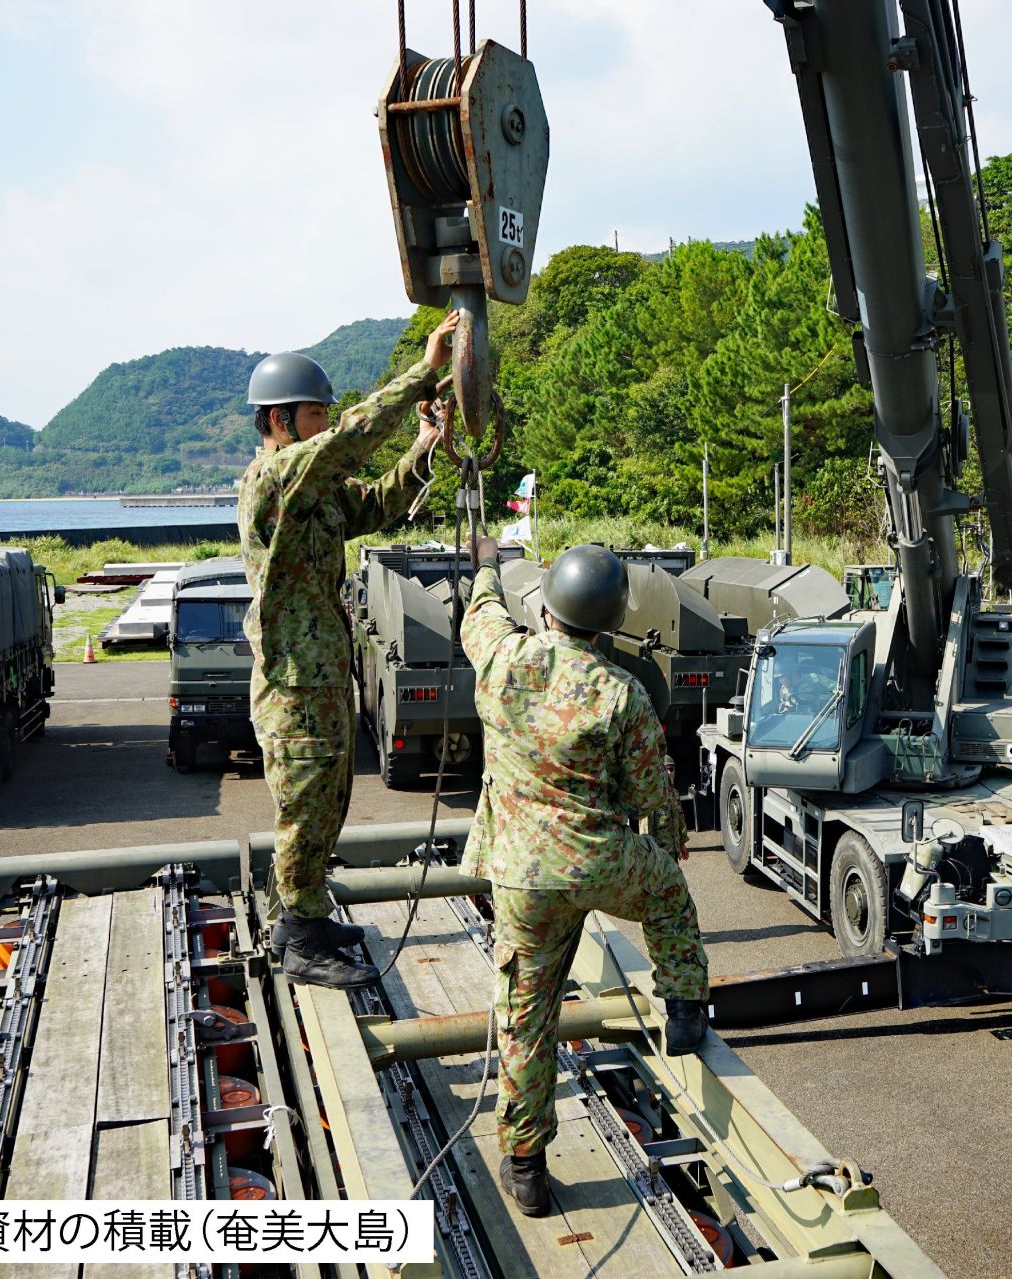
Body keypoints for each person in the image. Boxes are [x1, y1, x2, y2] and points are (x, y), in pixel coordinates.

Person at [461, 537, 709, 1219]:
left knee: (525, 1014)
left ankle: (527, 1166)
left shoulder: (501, 657)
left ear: (546, 608)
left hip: (517, 875)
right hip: (598, 861)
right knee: (668, 894)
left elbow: (479, 611)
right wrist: (666, 846)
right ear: (609, 622)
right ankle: (685, 1008)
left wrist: (486, 560)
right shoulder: (621, 692)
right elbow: (653, 795)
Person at [240, 311, 460, 989]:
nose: (326, 423)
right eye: (315, 414)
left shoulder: (317, 493)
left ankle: (303, 914)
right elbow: (354, 438)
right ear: (279, 421)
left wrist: (424, 445)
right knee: (304, 806)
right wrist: (423, 372)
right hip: (295, 685)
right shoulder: (275, 481)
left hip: (324, 677)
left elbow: (378, 501)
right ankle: (300, 936)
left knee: (328, 802)